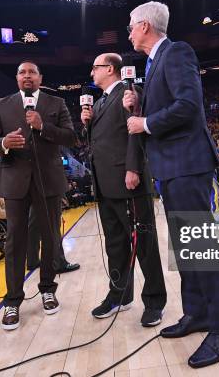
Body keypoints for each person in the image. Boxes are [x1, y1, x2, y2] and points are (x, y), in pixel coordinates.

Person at [123, 1, 219, 368]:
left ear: (144, 26)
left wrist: (146, 123)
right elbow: (170, 103)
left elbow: (188, 105)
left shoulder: (176, 51)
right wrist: (139, 106)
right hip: (171, 167)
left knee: (201, 248)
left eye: (130, 26)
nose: (128, 31)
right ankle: (197, 313)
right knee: (186, 248)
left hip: (188, 164)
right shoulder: (153, 63)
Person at [0, 60, 77, 330]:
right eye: (22, 72)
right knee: (15, 241)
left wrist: (42, 126)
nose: (27, 76)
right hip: (14, 181)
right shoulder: (2, 105)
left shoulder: (55, 104)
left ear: (40, 77)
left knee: (49, 237)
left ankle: (48, 287)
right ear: (17, 78)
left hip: (47, 180)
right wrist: (3, 143)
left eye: (32, 72)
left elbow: (71, 137)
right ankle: (12, 300)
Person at [82, 52, 166, 325]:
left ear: (109, 69)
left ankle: (154, 301)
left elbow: (135, 131)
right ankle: (119, 295)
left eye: (95, 67)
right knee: (115, 244)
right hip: (104, 183)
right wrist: (87, 123)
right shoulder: (100, 102)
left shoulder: (130, 92)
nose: (92, 72)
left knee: (144, 244)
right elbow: (98, 141)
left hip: (128, 180)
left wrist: (133, 168)